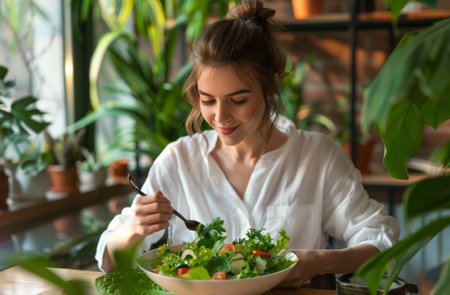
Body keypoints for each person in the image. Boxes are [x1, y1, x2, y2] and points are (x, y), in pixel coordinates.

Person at [95, 0, 399, 288]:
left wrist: (318, 261)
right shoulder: (179, 160)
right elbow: (109, 261)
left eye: (238, 100)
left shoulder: (316, 156)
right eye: (207, 100)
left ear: (270, 87)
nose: (220, 116)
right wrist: (133, 228)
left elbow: (384, 243)